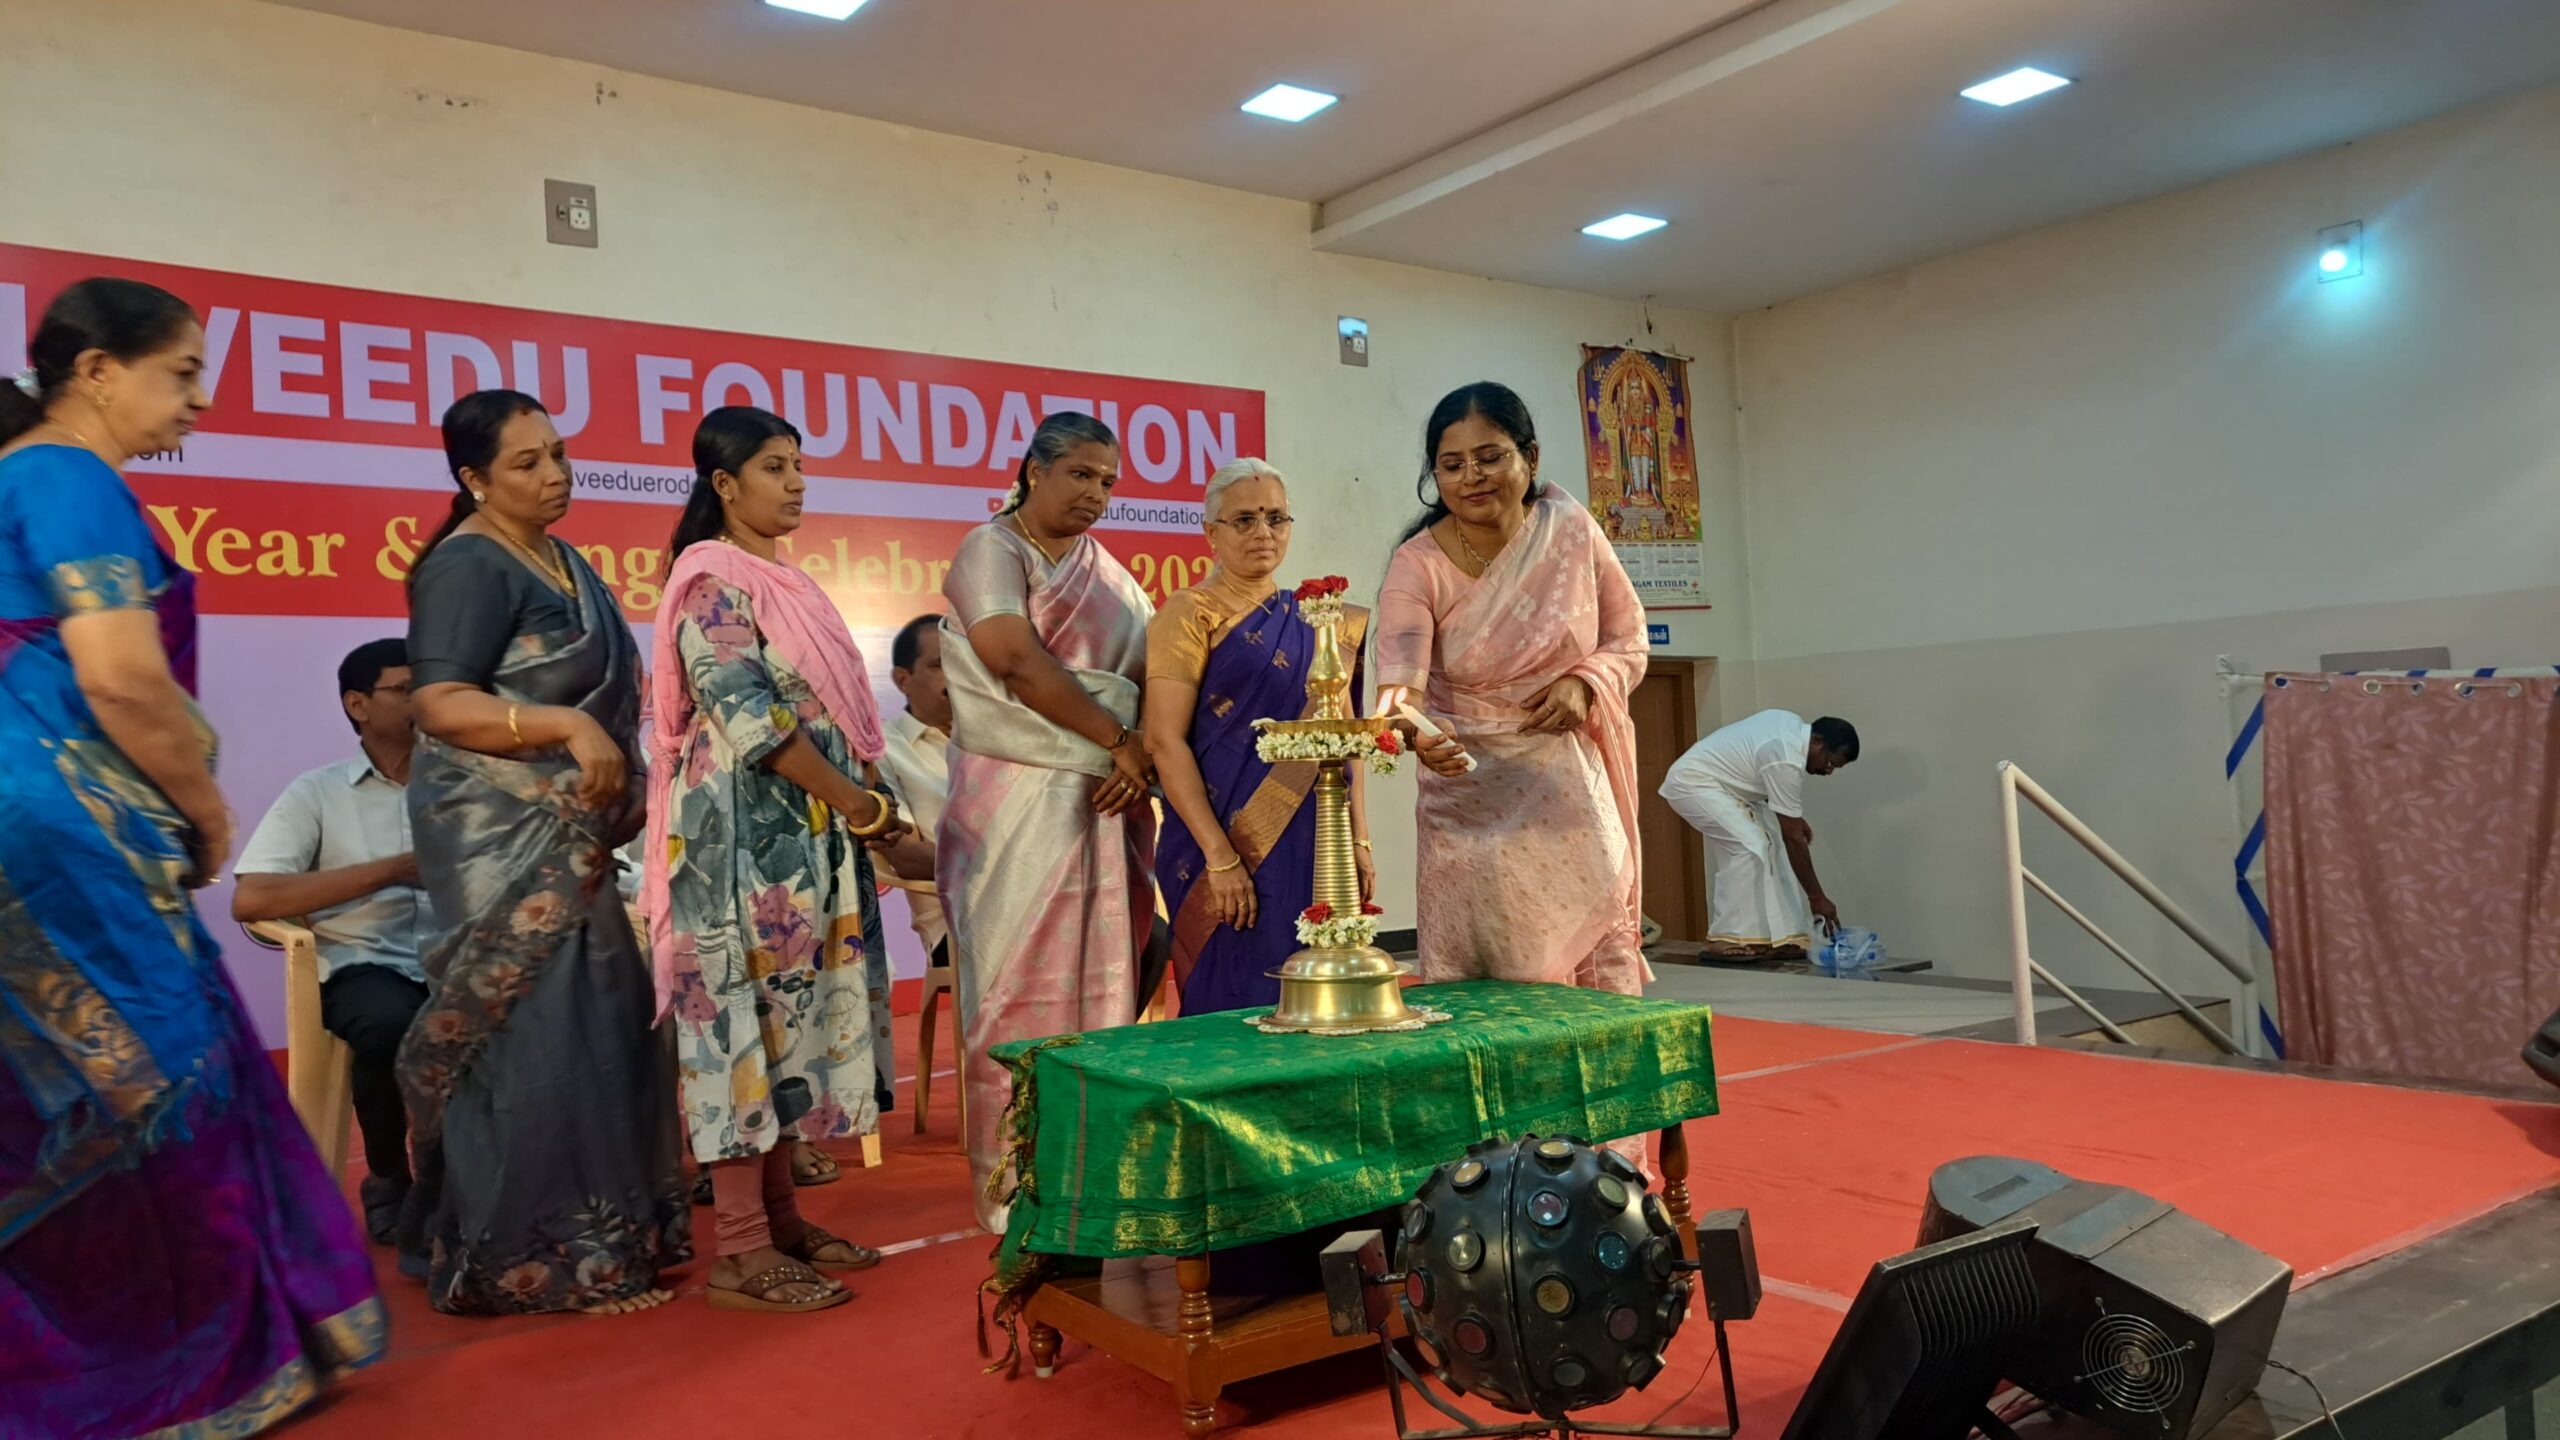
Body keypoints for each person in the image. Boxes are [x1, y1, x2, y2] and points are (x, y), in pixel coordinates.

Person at [0, 278, 384, 1438]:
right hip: (64, 834)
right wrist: (207, 808)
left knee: (66, 1102)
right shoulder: (64, 474)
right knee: (167, 1088)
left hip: (38, 832)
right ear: (94, 371)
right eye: (180, 373)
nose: (200, 401)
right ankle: (180, 1369)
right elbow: (122, 677)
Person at [400, 389, 689, 1315]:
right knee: (537, 1039)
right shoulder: (468, 564)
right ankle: (532, 1263)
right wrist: (562, 724)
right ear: (474, 478)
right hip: (502, 844)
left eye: (558, 453)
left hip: (578, 840)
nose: (555, 473)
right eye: (526, 462)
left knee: (602, 1027)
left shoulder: (564, 560)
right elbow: (439, 703)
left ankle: (611, 1241)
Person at [643, 405, 926, 1313]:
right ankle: (737, 1249)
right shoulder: (709, 584)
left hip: (802, 848)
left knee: (785, 1030)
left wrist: (870, 808)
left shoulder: (787, 583)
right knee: (737, 1031)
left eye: (799, 464)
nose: (796, 482)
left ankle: (780, 1224)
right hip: (736, 854)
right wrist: (860, 806)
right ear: (725, 485)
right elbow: (752, 722)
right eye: (774, 467)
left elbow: (839, 718)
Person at [939, 411, 1156, 1229]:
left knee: (1101, 987)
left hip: (1104, 806)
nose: (1096, 493)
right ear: (1035, 470)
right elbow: (1013, 659)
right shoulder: (991, 549)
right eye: (1081, 475)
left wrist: (1134, 757)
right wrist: (1118, 742)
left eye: (1108, 481)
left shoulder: (1116, 579)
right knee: (1012, 991)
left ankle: (1091, 1174)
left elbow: (1146, 682)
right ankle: (1014, 1194)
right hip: (1012, 803)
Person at [1373, 381, 1651, 995]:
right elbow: (1399, 691)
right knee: (1489, 982)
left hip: (1567, 792)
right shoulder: (1417, 564)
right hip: (1467, 801)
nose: (1472, 477)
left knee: (1596, 960)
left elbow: (1629, 639)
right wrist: (1419, 735)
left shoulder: (1570, 531)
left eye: (1490, 457)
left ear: (1531, 457)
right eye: (1452, 465)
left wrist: (1584, 682)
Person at [1144, 458, 1374, 1014]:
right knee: (1234, 1006)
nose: (1263, 532)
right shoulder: (1189, 614)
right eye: (1244, 520)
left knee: (1322, 997)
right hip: (1221, 844)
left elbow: (1343, 738)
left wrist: (1359, 840)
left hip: (1316, 841)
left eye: (1275, 518)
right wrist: (1221, 858)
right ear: (1211, 532)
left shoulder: (1317, 618)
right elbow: (1164, 741)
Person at [233, 637, 434, 1245]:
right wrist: (391, 871)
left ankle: (480, 1189)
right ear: (358, 704)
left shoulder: (464, 784)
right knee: (389, 1024)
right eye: (406, 689)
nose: (425, 702)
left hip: (462, 957)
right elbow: (253, 898)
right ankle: (390, 1179)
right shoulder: (317, 793)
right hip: (364, 962)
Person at [1660, 710, 1859, 959]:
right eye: (1830, 763)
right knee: (1751, 846)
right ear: (1817, 742)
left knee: (1772, 843)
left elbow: (1752, 767)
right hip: (1692, 783)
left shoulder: (1791, 729)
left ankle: (1781, 937)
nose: (1828, 771)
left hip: (1724, 786)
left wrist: (1793, 819)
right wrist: (1817, 898)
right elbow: (1794, 839)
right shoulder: (1785, 756)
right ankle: (1724, 937)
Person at [877, 612, 952, 968]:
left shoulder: (999, 740)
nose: (959, 675)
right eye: (940, 665)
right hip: (956, 926)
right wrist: (1009, 871)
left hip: (1037, 901)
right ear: (903, 679)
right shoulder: (883, 749)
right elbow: (907, 857)